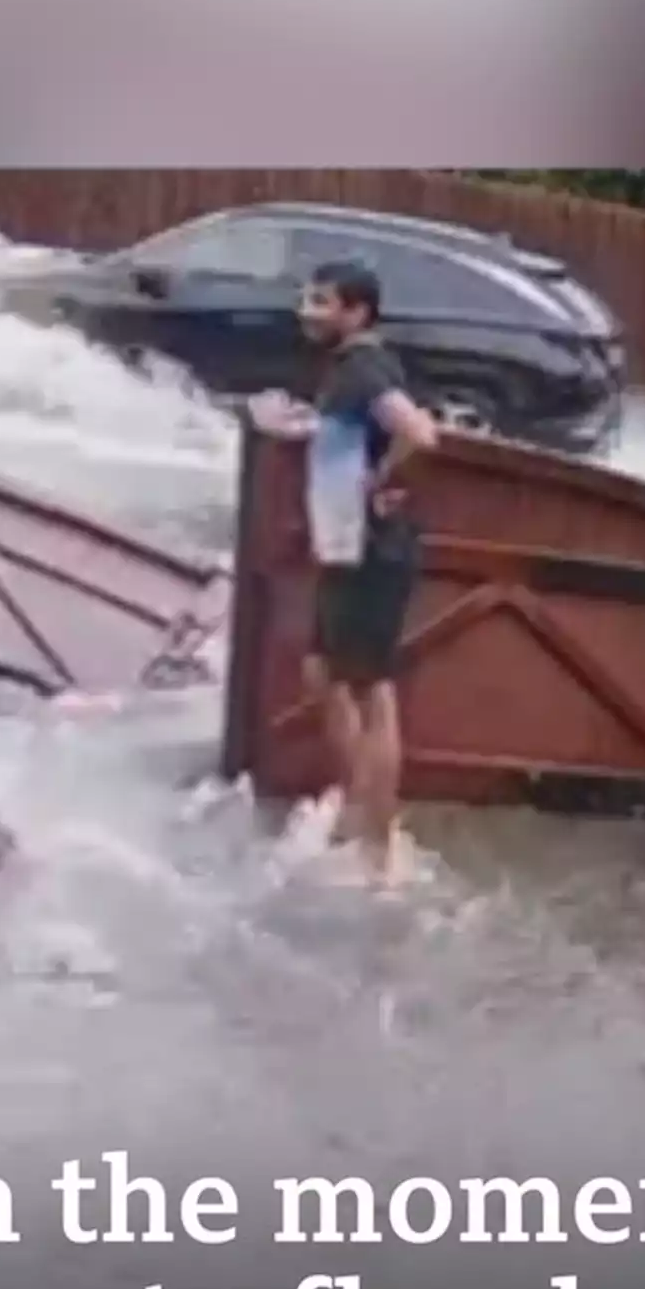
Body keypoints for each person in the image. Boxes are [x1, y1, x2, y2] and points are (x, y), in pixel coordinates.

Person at [251, 261, 438, 878]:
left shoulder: (364, 367)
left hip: (372, 548)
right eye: (307, 298)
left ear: (357, 313)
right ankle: (363, 805)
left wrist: (377, 480)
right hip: (344, 546)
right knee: (321, 673)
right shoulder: (344, 369)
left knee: (371, 690)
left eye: (323, 302)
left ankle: (378, 847)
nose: (308, 311)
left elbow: (419, 433)